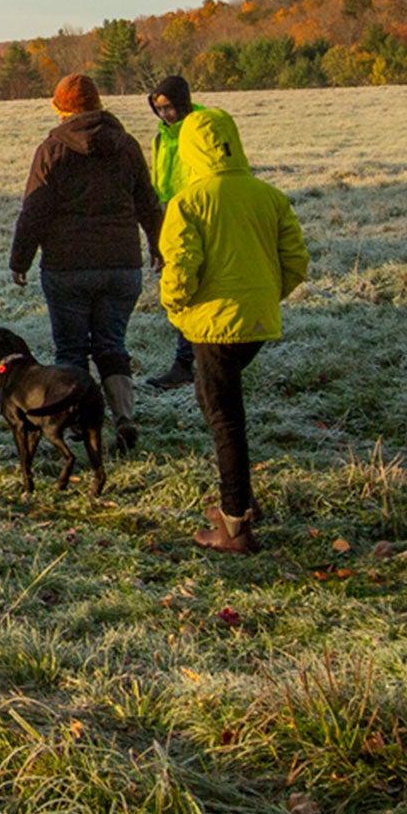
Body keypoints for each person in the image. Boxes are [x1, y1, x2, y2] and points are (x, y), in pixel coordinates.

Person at [157, 109, 307, 553]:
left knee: (225, 419)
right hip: (257, 320)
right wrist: (262, 296)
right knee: (211, 398)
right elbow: (296, 262)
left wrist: (175, 306)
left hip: (212, 324)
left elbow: (180, 271)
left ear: (190, 150)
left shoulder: (189, 201)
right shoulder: (270, 196)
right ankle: (240, 498)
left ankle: (235, 525)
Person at [6, 74, 157, 455]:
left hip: (67, 267)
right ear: (98, 103)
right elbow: (148, 203)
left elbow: (34, 211)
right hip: (121, 264)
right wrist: (159, 246)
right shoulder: (126, 146)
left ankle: (75, 425)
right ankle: (124, 416)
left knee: (71, 349)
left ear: (60, 108)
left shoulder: (53, 149)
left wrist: (20, 258)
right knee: (111, 344)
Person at [139, 75, 230, 390]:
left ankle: (191, 361)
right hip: (170, 214)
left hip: (199, 212)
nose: (165, 114)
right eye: (159, 108)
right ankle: (190, 360)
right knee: (180, 287)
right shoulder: (162, 137)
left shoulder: (204, 126)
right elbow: (160, 181)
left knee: (196, 287)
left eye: (169, 107)